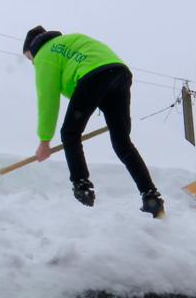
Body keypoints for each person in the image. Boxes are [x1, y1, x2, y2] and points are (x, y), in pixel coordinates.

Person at [22, 25, 165, 218]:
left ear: (32, 48)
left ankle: (83, 188)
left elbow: (47, 98)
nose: (32, 63)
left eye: (29, 58)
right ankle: (151, 197)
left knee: (70, 133)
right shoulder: (70, 41)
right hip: (119, 73)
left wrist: (45, 140)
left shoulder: (44, 53)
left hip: (94, 75)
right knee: (123, 143)